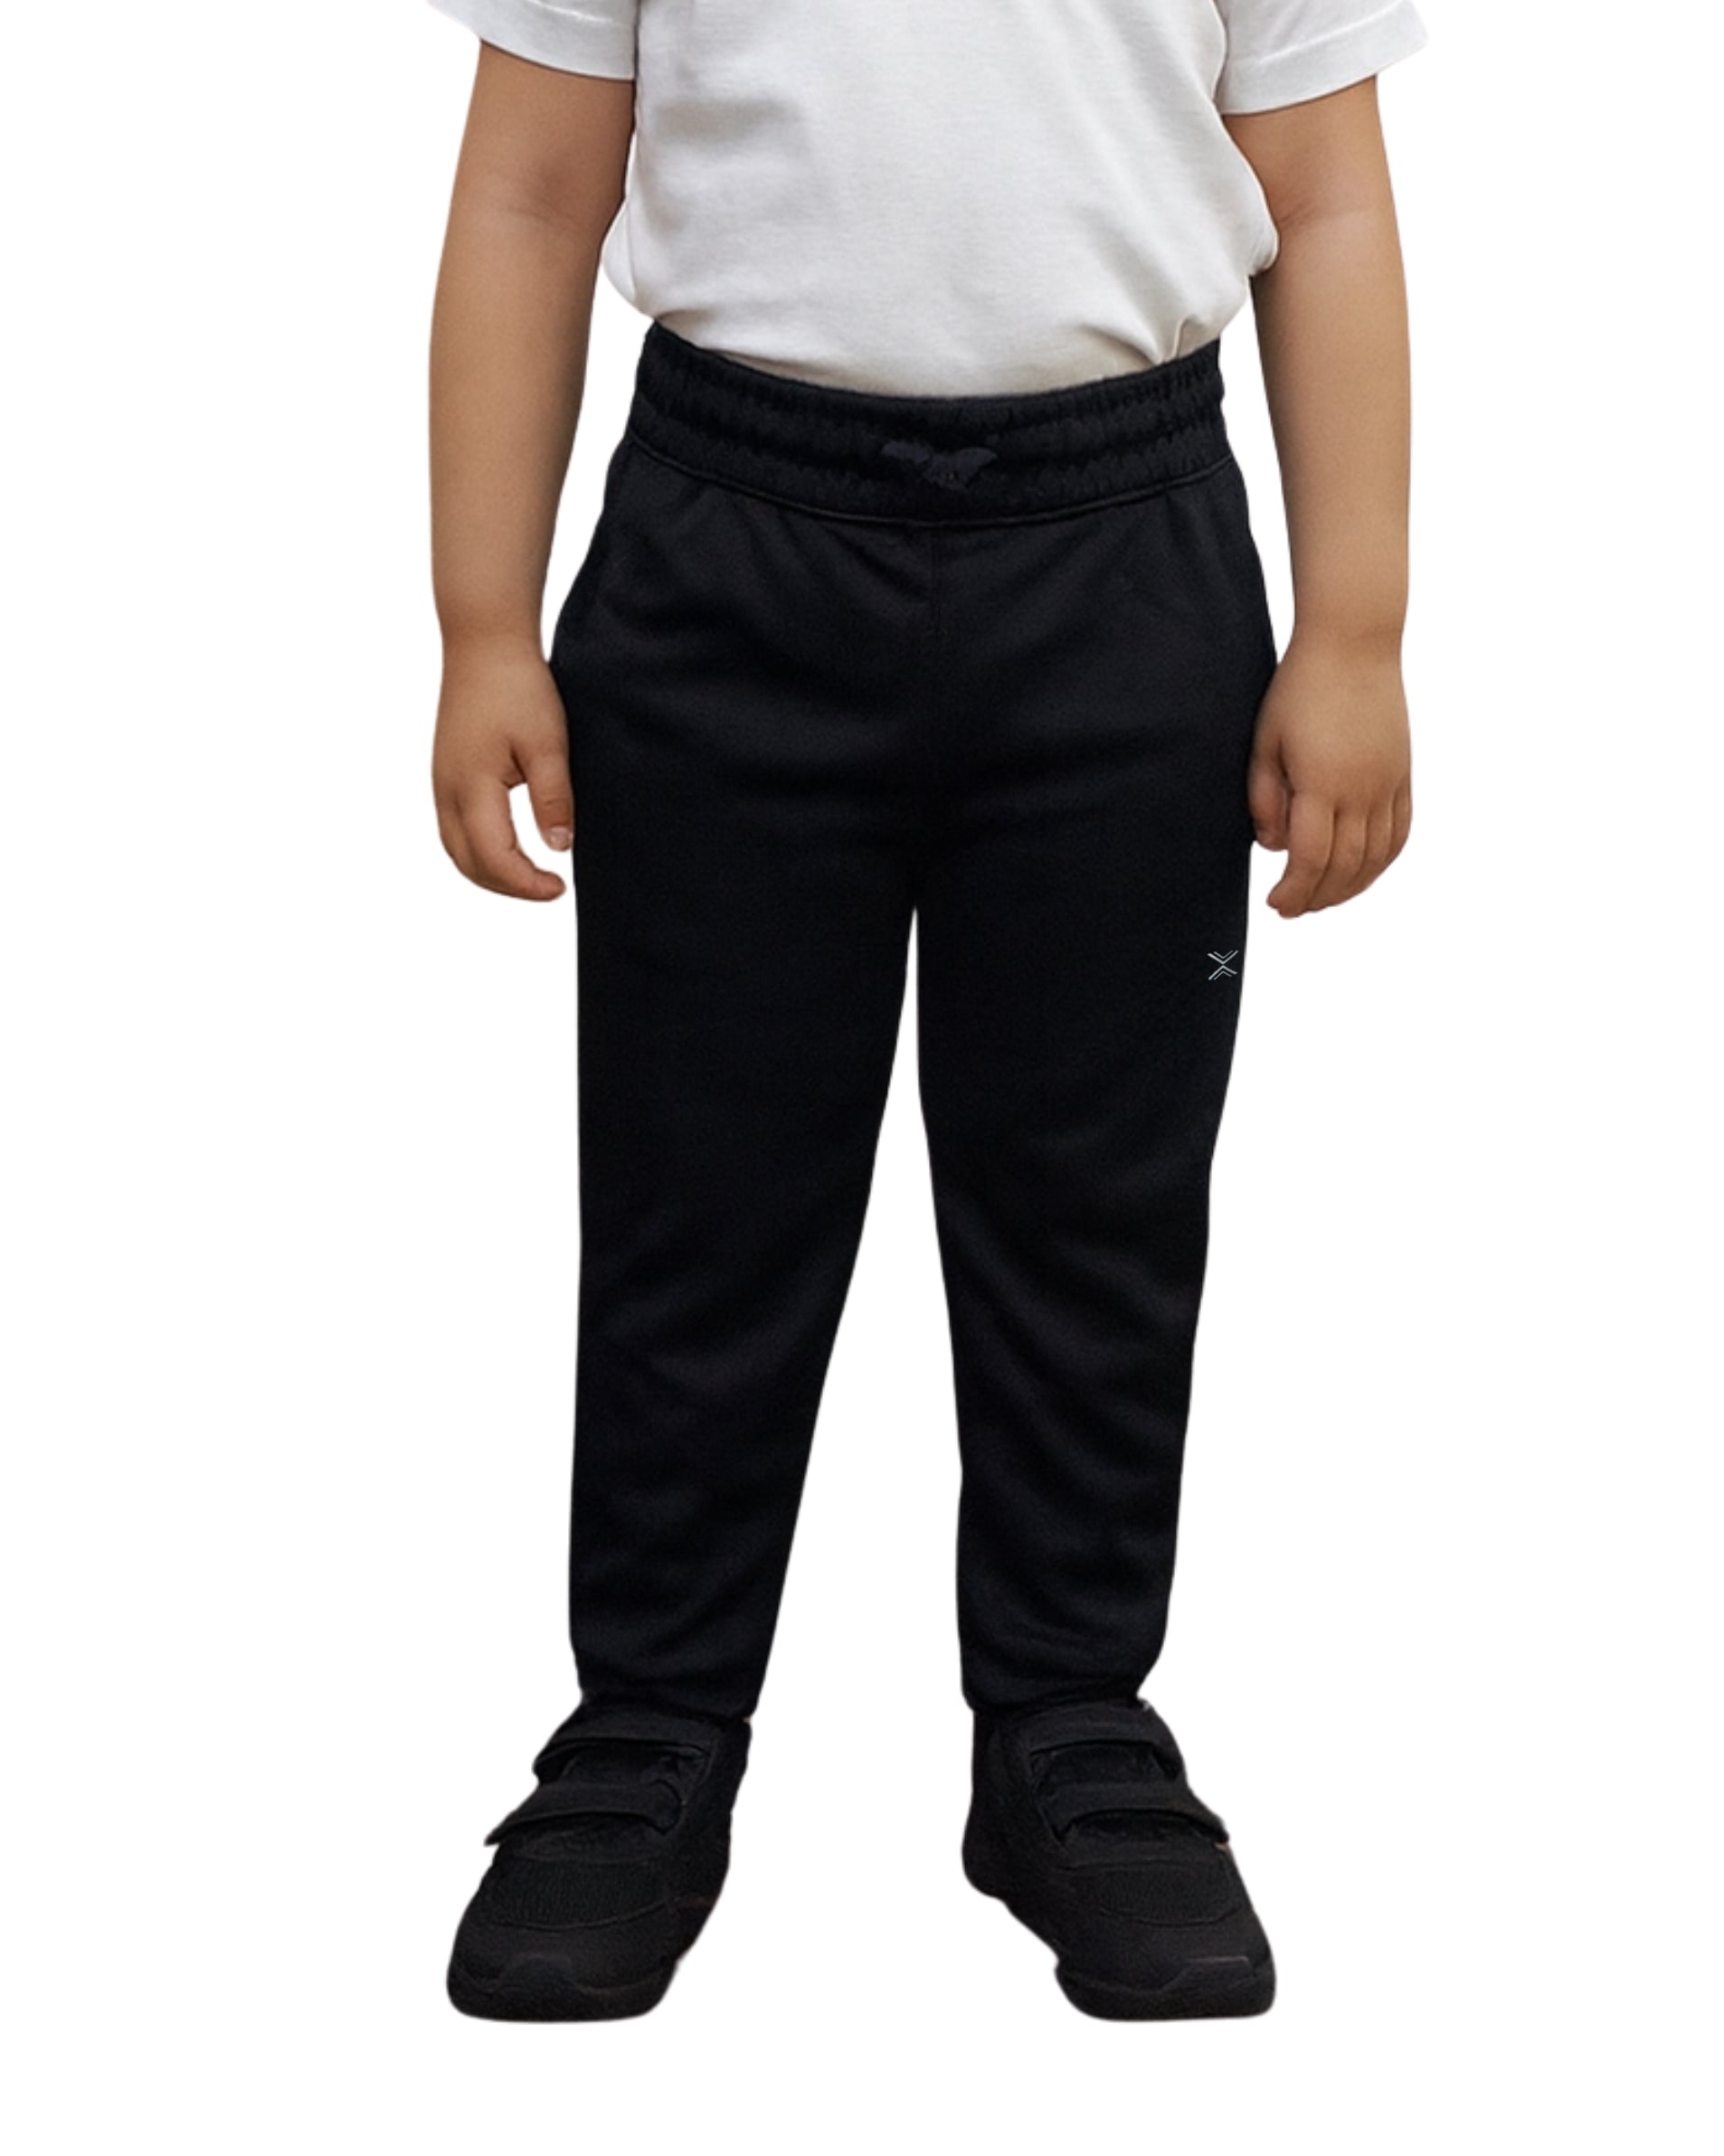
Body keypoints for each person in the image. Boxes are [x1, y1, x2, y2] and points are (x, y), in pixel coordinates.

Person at [423, 0, 1426, 2022]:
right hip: (728, 549)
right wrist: (478, 630)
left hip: (1122, 558)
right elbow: (529, 192)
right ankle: (648, 1730)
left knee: (1093, 1205)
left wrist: (1354, 629)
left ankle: (1068, 1724)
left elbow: (1322, 204)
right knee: (702, 1196)